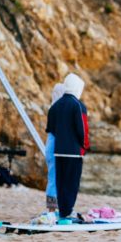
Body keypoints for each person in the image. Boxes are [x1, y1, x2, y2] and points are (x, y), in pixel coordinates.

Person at [46, 73, 89, 220]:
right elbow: (82, 130)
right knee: (71, 183)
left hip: (58, 151)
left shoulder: (55, 106)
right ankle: (67, 211)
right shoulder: (78, 106)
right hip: (74, 152)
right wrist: (85, 147)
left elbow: (50, 128)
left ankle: (62, 211)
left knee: (61, 182)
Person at [45, 83, 65, 212]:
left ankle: (53, 209)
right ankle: (52, 210)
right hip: (55, 147)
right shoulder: (56, 110)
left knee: (53, 178)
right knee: (54, 178)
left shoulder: (52, 108)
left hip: (50, 145)